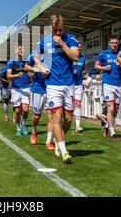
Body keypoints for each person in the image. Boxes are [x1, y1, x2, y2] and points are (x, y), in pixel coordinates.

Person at [34, 15, 79, 164]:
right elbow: (35, 57)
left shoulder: (70, 39)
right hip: (52, 85)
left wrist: (62, 44)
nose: (58, 32)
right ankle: (64, 151)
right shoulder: (44, 41)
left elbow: (75, 57)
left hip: (69, 84)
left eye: (60, 29)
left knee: (68, 119)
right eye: (55, 30)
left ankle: (58, 138)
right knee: (57, 117)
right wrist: (41, 67)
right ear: (50, 28)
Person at [95, 35, 121, 141]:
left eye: (116, 43)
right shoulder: (104, 53)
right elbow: (96, 65)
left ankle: (107, 125)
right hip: (107, 84)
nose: (114, 44)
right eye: (112, 43)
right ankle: (113, 133)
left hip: (119, 84)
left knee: (115, 109)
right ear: (109, 43)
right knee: (110, 108)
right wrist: (104, 68)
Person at [25, 50, 53, 149]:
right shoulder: (35, 54)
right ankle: (34, 131)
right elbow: (26, 66)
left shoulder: (54, 52)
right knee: (36, 116)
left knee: (52, 116)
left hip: (52, 87)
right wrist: (37, 70)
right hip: (38, 89)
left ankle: (48, 141)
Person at [7, 45, 32, 137]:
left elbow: (32, 70)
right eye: (20, 49)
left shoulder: (28, 61)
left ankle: (24, 124)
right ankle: (18, 128)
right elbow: (8, 75)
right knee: (17, 111)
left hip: (26, 88)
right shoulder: (11, 61)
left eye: (23, 48)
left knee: (25, 110)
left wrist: (31, 74)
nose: (22, 50)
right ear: (15, 51)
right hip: (16, 89)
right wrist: (17, 75)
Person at [72, 41, 86, 133]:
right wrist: (71, 71)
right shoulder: (70, 57)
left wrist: (87, 77)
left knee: (77, 104)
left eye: (80, 47)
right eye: (78, 47)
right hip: (69, 84)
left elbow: (84, 70)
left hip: (79, 84)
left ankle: (78, 126)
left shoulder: (82, 58)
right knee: (68, 106)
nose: (79, 48)